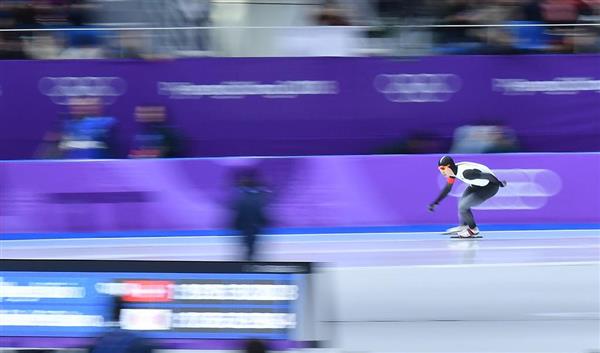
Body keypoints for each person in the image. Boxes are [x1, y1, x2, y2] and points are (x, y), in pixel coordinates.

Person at [428, 156, 506, 238]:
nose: (441, 171)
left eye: (443, 168)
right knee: (461, 203)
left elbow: (488, 176)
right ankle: (464, 226)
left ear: (449, 166)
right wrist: (435, 202)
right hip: (476, 185)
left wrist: (500, 183)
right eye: (439, 169)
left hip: (490, 187)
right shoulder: (452, 172)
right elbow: (447, 188)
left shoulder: (466, 173)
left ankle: (473, 230)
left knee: (463, 206)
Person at [232, 174, 270, 261]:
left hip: (250, 222)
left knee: (250, 241)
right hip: (248, 222)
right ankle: (249, 255)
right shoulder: (245, 195)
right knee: (249, 241)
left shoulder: (252, 195)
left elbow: (258, 209)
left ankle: (250, 255)